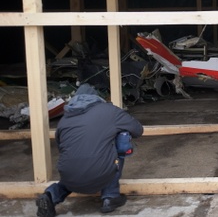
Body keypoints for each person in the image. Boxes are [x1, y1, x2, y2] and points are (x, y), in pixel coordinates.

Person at [36, 84, 144, 216]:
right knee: (121, 139)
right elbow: (138, 130)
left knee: (75, 167)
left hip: (69, 176)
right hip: (100, 173)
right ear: (96, 97)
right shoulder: (109, 111)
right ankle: (110, 196)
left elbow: (61, 147)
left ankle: (50, 196)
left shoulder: (64, 119)